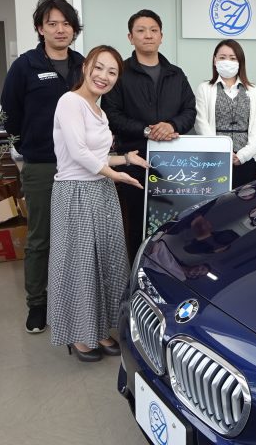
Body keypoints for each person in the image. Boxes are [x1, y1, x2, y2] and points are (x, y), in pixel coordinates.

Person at [48, 45, 148, 362]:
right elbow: (78, 153)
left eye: (112, 72)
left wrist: (126, 159)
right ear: (85, 67)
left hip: (101, 190)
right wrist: (116, 175)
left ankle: (100, 328)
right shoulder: (70, 102)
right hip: (75, 192)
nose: (104, 76)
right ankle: (79, 335)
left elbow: (98, 157)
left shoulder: (100, 112)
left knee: (106, 261)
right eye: (99, 67)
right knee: (80, 265)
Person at [0, 0, 84, 334]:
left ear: (73, 29)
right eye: (52, 23)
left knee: (77, 236)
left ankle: (75, 297)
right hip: (42, 164)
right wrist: (27, 145)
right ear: (40, 28)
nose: (60, 29)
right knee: (40, 238)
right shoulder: (26, 65)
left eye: (66, 23)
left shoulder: (83, 65)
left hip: (81, 165)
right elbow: (10, 113)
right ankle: (37, 303)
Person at [101, 9, 196, 262]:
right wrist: (146, 130)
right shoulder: (120, 73)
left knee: (175, 223)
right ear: (130, 37)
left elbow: (190, 110)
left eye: (154, 30)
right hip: (135, 161)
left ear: (161, 36)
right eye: (141, 31)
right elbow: (111, 114)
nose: (148, 35)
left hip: (175, 164)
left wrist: (172, 125)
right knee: (137, 224)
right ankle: (138, 274)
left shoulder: (176, 73)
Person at [194, 39, 256, 188]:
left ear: (240, 62)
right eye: (222, 57)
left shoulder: (253, 90)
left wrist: (243, 155)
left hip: (245, 160)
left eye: (233, 58)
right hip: (214, 159)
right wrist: (222, 151)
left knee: (245, 200)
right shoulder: (204, 88)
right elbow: (201, 124)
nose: (227, 61)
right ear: (215, 60)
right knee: (216, 200)